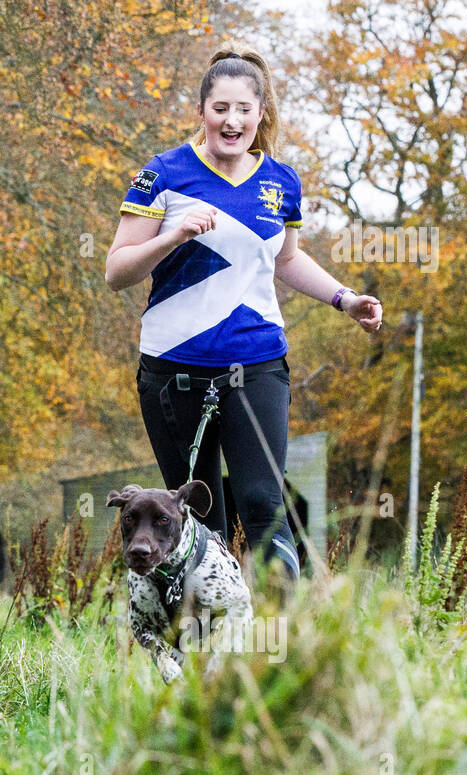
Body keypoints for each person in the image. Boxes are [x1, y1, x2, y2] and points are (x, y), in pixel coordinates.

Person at [105, 45, 382, 592]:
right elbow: (117, 271)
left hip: (255, 364)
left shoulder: (281, 182)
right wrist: (175, 234)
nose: (231, 121)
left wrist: (345, 299)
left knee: (261, 501)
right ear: (202, 111)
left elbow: (288, 259)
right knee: (197, 518)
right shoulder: (162, 173)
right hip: (172, 371)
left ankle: (282, 633)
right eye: (220, 109)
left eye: (243, 110)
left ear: (261, 114)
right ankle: (207, 648)